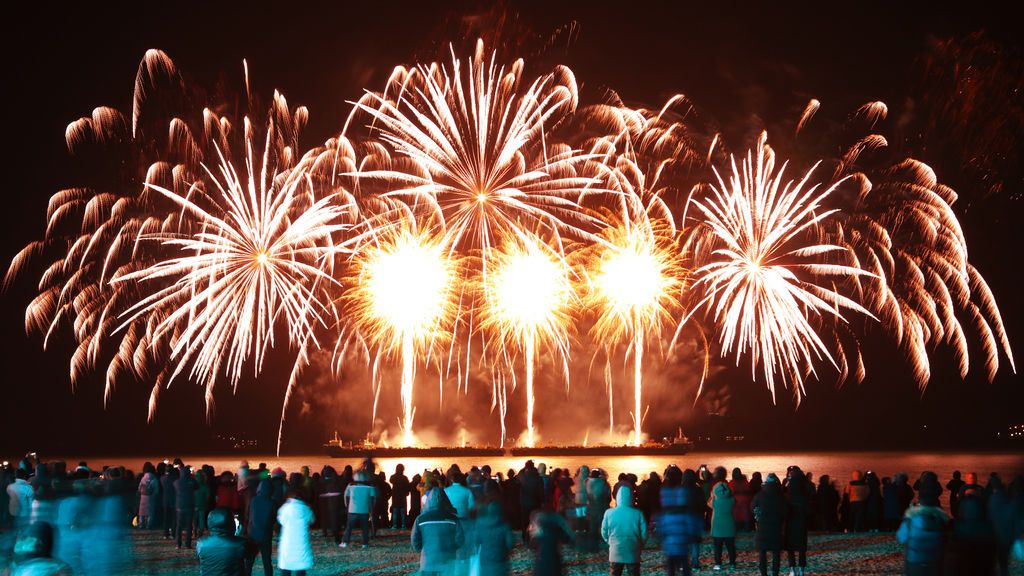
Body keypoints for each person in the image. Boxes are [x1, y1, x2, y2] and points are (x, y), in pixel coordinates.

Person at [896, 475, 949, 576]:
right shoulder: (942, 519)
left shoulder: (911, 518)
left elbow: (901, 537)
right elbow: (946, 540)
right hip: (935, 559)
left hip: (915, 559)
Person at [658, 465, 703, 576]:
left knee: (671, 566)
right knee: (692, 547)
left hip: (672, 541)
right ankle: (695, 562)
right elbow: (702, 503)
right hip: (693, 518)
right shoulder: (698, 489)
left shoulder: (678, 490)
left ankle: (679, 567)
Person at [412, 488, 464, 576]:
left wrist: (423, 550)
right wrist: (452, 549)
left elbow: (415, 540)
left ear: (428, 501)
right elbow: (460, 539)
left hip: (427, 562)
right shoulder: (453, 519)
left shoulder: (421, 519)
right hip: (448, 562)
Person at [602, 485, 647, 576]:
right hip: (633, 549)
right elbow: (644, 532)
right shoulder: (638, 513)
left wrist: (609, 542)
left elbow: (604, 531)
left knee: (615, 573)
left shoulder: (609, 513)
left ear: (617, 498)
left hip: (615, 550)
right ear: (631, 497)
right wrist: (640, 544)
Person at [196, 508, 247, 576]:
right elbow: (252, 554)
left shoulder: (201, 543)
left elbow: (199, 561)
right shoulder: (241, 544)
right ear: (231, 523)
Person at [753, 473, 785, 576]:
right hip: (776, 527)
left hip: (762, 527)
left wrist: (758, 517)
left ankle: (764, 573)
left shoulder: (759, 495)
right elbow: (786, 511)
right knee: (776, 553)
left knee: (762, 552)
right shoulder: (780, 496)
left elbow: (752, 507)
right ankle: (775, 573)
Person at [277, 490, 314, 576]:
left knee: (286, 566)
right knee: (301, 564)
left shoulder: (284, 508)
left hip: (288, 541)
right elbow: (312, 520)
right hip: (301, 541)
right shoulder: (305, 508)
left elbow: (281, 520)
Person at [471, 501, 514, 576]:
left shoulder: (480, 524)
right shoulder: (505, 526)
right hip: (500, 559)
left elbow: (476, 540)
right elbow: (510, 544)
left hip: (485, 560)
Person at [530, 507, 574, 576]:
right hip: (554, 561)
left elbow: (533, 544)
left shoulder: (541, 534)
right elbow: (567, 538)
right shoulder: (556, 531)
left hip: (543, 562)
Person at [784, 468, 812, 576]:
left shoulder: (788, 491)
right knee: (801, 547)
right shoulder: (805, 492)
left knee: (790, 546)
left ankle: (792, 569)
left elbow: (784, 508)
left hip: (790, 522)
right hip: (801, 522)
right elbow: (808, 509)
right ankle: (801, 569)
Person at [245, 480, 274, 576]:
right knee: (267, 561)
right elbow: (273, 519)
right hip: (266, 534)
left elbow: (249, 516)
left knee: (249, 561)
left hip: (253, 534)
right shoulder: (272, 502)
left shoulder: (254, 500)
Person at [709, 476, 737, 570]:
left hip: (717, 528)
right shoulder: (732, 500)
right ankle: (732, 563)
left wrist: (712, 495)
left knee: (718, 547)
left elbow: (708, 503)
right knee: (731, 547)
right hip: (730, 527)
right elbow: (734, 500)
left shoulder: (714, 502)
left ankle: (718, 564)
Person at [342, 471, 376, 548]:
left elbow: (346, 496)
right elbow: (373, 499)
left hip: (352, 510)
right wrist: (371, 509)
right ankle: (365, 543)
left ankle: (345, 542)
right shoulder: (370, 486)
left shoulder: (351, 485)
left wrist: (346, 506)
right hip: (364, 510)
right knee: (365, 528)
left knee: (349, 527)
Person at [517, 461, 544, 544]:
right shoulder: (538, 477)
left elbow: (518, 477)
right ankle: (535, 539)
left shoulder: (522, 476)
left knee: (525, 522)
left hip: (524, 503)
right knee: (535, 522)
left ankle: (525, 539)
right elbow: (541, 492)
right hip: (535, 503)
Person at [586, 468, 612, 553]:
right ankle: (604, 543)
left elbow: (585, 496)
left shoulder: (587, 483)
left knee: (592, 527)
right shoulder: (604, 483)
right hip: (602, 507)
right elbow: (609, 497)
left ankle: (593, 546)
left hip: (591, 508)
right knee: (602, 526)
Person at [174, 466, 199, 548]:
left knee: (179, 525)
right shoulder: (192, 481)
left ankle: (178, 544)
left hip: (179, 505)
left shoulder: (177, 482)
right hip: (189, 505)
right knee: (189, 525)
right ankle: (188, 544)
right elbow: (197, 487)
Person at [390, 464, 411, 530]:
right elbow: (408, 486)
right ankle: (403, 525)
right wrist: (407, 492)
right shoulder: (405, 478)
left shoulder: (393, 477)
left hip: (395, 497)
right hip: (402, 497)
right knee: (403, 512)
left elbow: (391, 481)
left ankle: (394, 525)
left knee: (395, 512)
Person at [137, 464, 158, 530]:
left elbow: (139, 488)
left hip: (143, 497)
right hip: (151, 497)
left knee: (142, 512)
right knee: (150, 512)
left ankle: (141, 524)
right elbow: (156, 490)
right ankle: (149, 525)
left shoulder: (143, 478)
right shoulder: (154, 479)